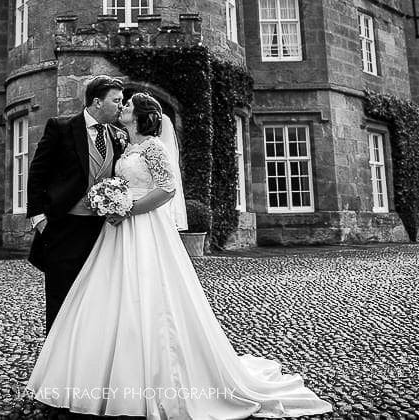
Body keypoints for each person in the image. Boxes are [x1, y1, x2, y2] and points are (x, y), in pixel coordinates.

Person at [27, 92, 333, 418]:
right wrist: (109, 202)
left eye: (127, 105)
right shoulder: (123, 143)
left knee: (150, 296)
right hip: (114, 233)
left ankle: (149, 379)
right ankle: (92, 374)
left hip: (144, 229)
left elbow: (168, 189)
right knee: (107, 295)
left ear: (141, 115)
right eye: (119, 101)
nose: (122, 107)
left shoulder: (153, 147)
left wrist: (127, 208)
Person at [25, 75, 127, 333]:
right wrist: (38, 218)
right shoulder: (61, 127)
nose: (121, 106)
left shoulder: (118, 135)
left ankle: (86, 353)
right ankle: (55, 362)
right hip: (64, 226)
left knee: (96, 294)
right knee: (61, 295)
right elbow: (38, 172)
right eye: (116, 101)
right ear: (97, 102)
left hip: (102, 230)